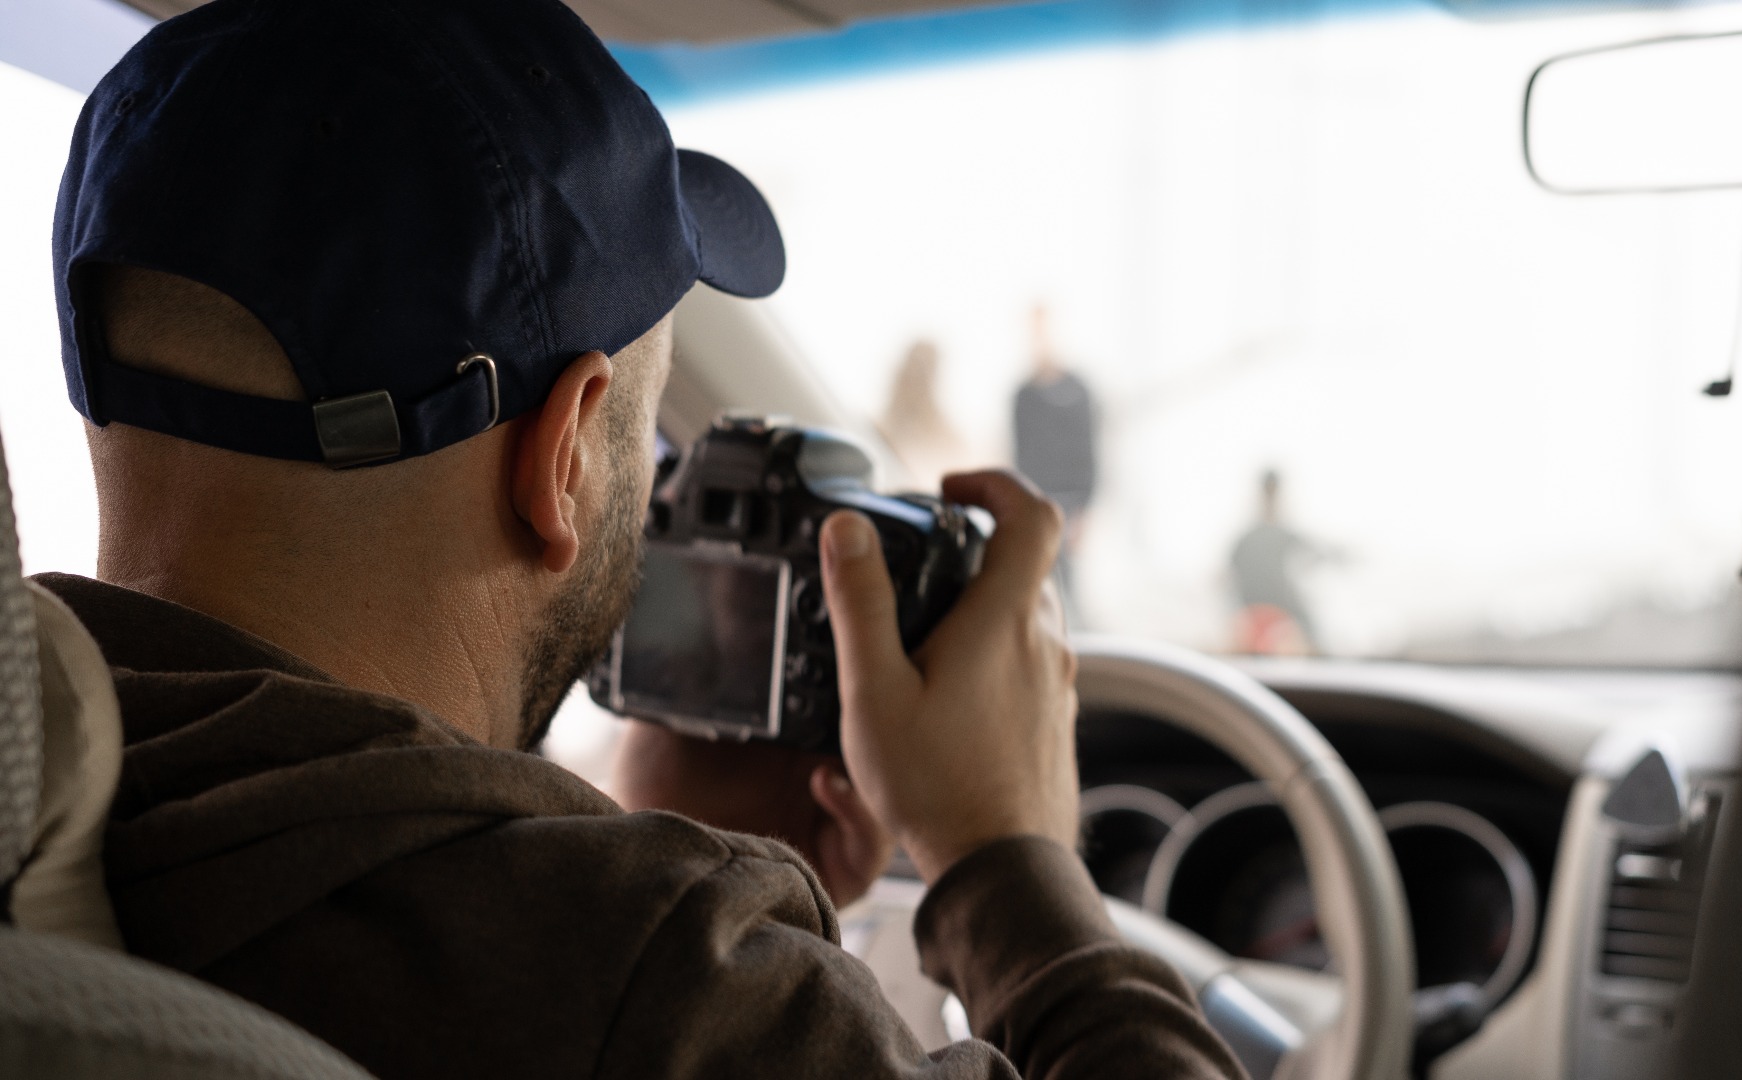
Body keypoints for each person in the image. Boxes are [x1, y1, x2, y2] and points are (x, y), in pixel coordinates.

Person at [36, 1, 1243, 1078]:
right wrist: (1007, 862)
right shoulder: (655, 984)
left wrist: (639, 825)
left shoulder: (31, 794)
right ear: (562, 455)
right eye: (645, 435)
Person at [1011, 305, 1099, 617]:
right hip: (1036, 502)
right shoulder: (1023, 395)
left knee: (1069, 596)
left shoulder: (1079, 391)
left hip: (1071, 505)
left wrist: (1085, 510)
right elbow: (1019, 455)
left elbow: (1089, 453)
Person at [1229, 469, 1322, 655]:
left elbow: (1315, 554)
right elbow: (1231, 578)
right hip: (1256, 621)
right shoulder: (1247, 540)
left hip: (1284, 621)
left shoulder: (1286, 537)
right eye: (1270, 491)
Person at [878, 338, 974, 488]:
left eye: (924, 369)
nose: (917, 376)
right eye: (914, 367)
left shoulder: (947, 437)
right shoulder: (880, 430)